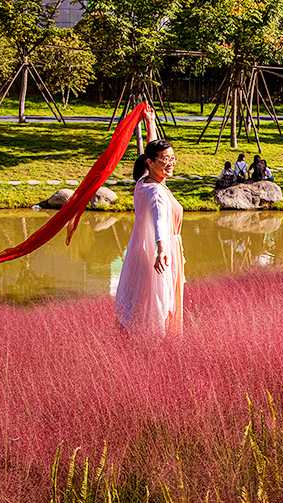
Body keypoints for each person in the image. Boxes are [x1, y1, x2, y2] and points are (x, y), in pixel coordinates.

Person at [115, 107, 185, 337]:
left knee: (140, 302)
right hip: (160, 253)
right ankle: (154, 351)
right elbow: (158, 219)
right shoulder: (155, 192)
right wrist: (162, 249)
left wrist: (150, 124)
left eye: (172, 158)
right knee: (158, 305)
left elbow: (152, 149)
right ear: (151, 162)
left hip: (141, 252)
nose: (171, 163)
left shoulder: (143, 181)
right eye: (165, 160)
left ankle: (135, 344)